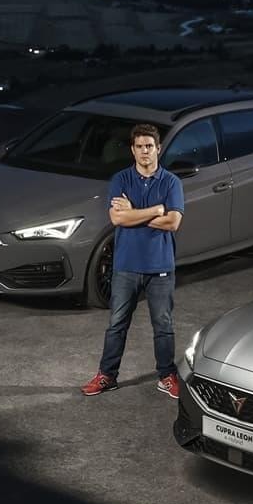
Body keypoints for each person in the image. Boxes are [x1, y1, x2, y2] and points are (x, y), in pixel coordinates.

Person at [80, 123, 185, 398]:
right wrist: (156, 210)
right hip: (126, 267)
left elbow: (173, 222)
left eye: (149, 146)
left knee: (163, 326)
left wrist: (134, 213)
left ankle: (167, 376)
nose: (144, 151)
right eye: (139, 147)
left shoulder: (171, 182)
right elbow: (117, 218)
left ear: (158, 149)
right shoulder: (121, 180)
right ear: (132, 150)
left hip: (160, 267)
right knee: (117, 324)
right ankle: (107, 375)